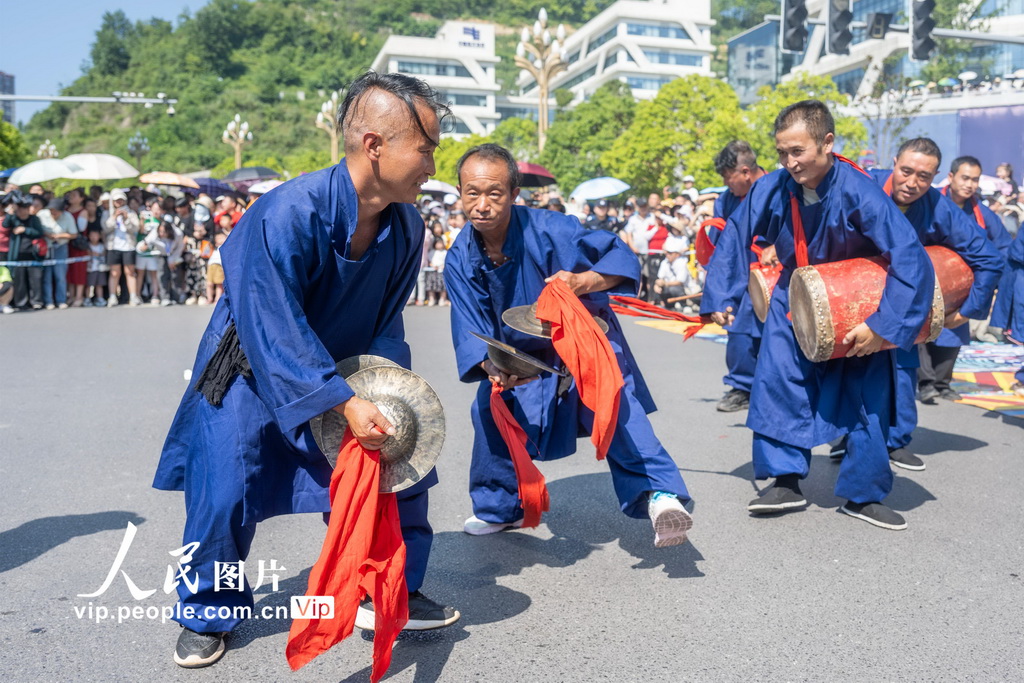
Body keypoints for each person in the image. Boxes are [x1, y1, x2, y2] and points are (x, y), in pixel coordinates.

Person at [152, 71, 459, 669]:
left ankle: (387, 589)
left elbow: (385, 323)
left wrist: (386, 393)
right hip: (250, 369)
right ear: (374, 145)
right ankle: (207, 609)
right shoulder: (286, 212)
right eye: (425, 148)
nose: (432, 162)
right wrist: (339, 399)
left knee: (402, 468)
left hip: (343, 372)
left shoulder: (408, 225)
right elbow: (271, 325)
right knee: (224, 491)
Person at [444, 143, 693, 548]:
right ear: (460, 192)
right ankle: (499, 508)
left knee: (615, 403)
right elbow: (471, 325)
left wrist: (583, 282)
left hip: (583, 338)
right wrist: (494, 367)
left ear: (513, 194)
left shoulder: (551, 228)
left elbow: (619, 256)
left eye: (495, 193)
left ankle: (661, 496)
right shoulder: (460, 257)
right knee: (488, 408)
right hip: (521, 354)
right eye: (473, 192)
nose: (483, 204)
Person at [702, 100, 935, 531]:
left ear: (827, 143)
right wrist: (720, 292)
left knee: (868, 396)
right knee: (777, 383)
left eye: (798, 152)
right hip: (794, 296)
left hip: (856, 303)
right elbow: (737, 233)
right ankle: (784, 479)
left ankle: (863, 495)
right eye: (782, 153)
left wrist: (883, 325)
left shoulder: (859, 190)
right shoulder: (772, 186)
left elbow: (909, 256)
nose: (789, 163)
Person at [854, 140, 1004, 471]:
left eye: (923, 176)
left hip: (905, 300)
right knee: (846, 369)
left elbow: (989, 257)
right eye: (906, 171)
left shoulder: (938, 206)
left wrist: (966, 312)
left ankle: (896, 441)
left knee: (904, 372)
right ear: (893, 163)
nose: (912, 182)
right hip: (854, 296)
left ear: (936, 177)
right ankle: (849, 439)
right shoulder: (861, 185)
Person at [705, 140, 772, 413]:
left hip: (774, 276)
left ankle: (773, 389)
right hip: (739, 276)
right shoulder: (726, 200)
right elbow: (720, 245)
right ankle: (742, 387)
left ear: (745, 171)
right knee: (739, 332)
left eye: (727, 177)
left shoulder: (777, 188)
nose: (726, 183)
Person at [1, 191, 45, 311]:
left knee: (35, 280)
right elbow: (5, 225)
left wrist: (25, 230)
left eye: (24, 208)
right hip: (17, 255)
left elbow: (39, 233)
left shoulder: (34, 219)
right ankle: (21, 303)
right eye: (20, 208)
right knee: (19, 281)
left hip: (32, 254)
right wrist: (10, 212)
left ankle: (36, 302)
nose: (22, 211)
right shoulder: (14, 218)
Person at [37, 197, 78, 310]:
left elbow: (74, 234)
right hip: (46, 247)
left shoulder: (67, 216)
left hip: (61, 246)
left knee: (60, 275)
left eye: (55, 211)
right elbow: (37, 229)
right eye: (51, 210)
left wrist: (59, 236)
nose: (53, 213)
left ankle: (61, 300)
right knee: (47, 276)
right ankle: (48, 301)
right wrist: (46, 234)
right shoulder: (42, 214)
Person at [102, 190, 141, 306]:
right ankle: (113, 296)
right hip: (113, 246)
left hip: (128, 246)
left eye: (121, 200)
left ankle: (133, 296)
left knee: (130, 272)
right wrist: (114, 217)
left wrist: (126, 219)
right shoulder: (107, 213)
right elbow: (105, 229)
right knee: (114, 273)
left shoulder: (131, 213)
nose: (119, 202)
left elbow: (135, 229)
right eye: (116, 200)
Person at [84, 227, 109, 306]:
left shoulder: (102, 246)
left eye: (96, 236)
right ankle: (87, 298)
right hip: (91, 268)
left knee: (99, 285)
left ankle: (100, 298)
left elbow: (104, 254)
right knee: (89, 284)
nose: (94, 238)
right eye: (92, 236)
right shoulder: (87, 246)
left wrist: (100, 254)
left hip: (100, 268)